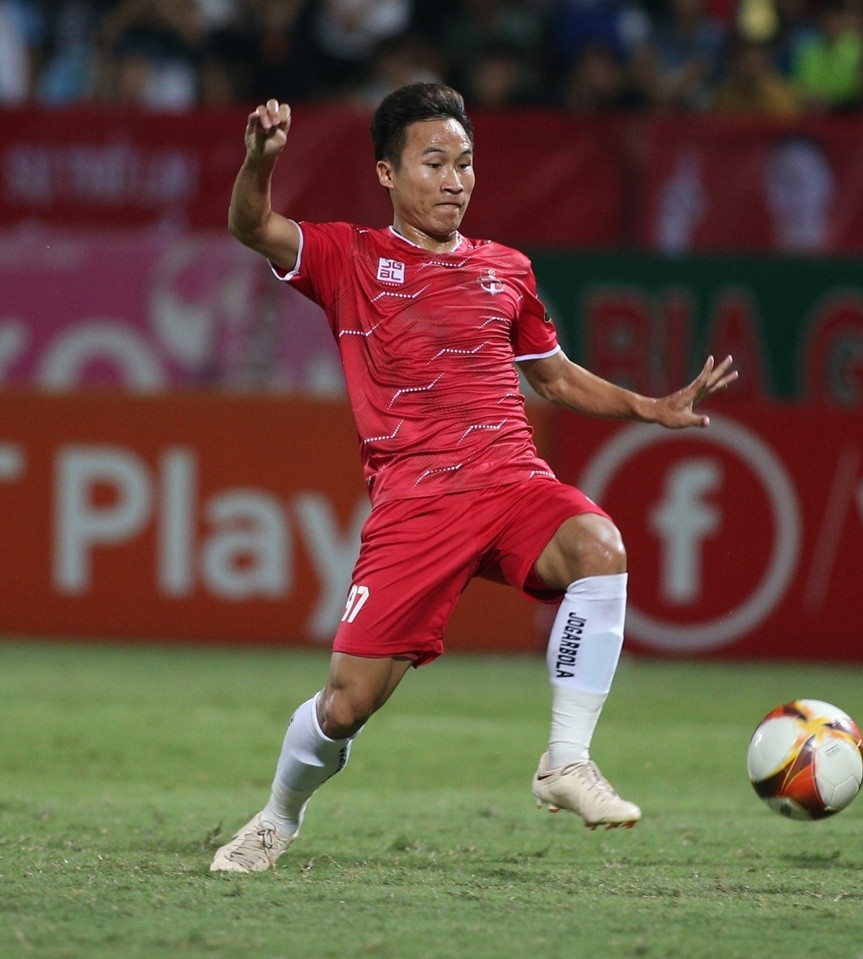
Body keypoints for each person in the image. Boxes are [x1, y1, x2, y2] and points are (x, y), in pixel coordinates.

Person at [211, 82, 737, 872]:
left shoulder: (505, 269)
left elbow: (552, 375)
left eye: (464, 164)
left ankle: (565, 760)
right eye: (434, 163)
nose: (455, 180)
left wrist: (648, 407)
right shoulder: (348, 257)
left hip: (510, 480)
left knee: (599, 546)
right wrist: (260, 159)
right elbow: (252, 225)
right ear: (387, 173)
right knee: (345, 706)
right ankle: (277, 818)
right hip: (416, 505)